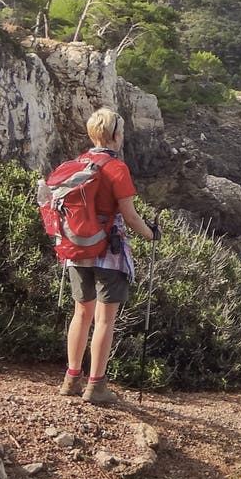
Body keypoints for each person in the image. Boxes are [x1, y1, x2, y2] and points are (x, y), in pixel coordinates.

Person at [60, 108, 158, 405]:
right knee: (104, 320)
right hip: (108, 251)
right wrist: (151, 234)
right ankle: (96, 386)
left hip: (77, 248)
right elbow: (129, 215)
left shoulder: (79, 164)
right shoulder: (117, 168)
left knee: (81, 314)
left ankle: (71, 378)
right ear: (117, 135)